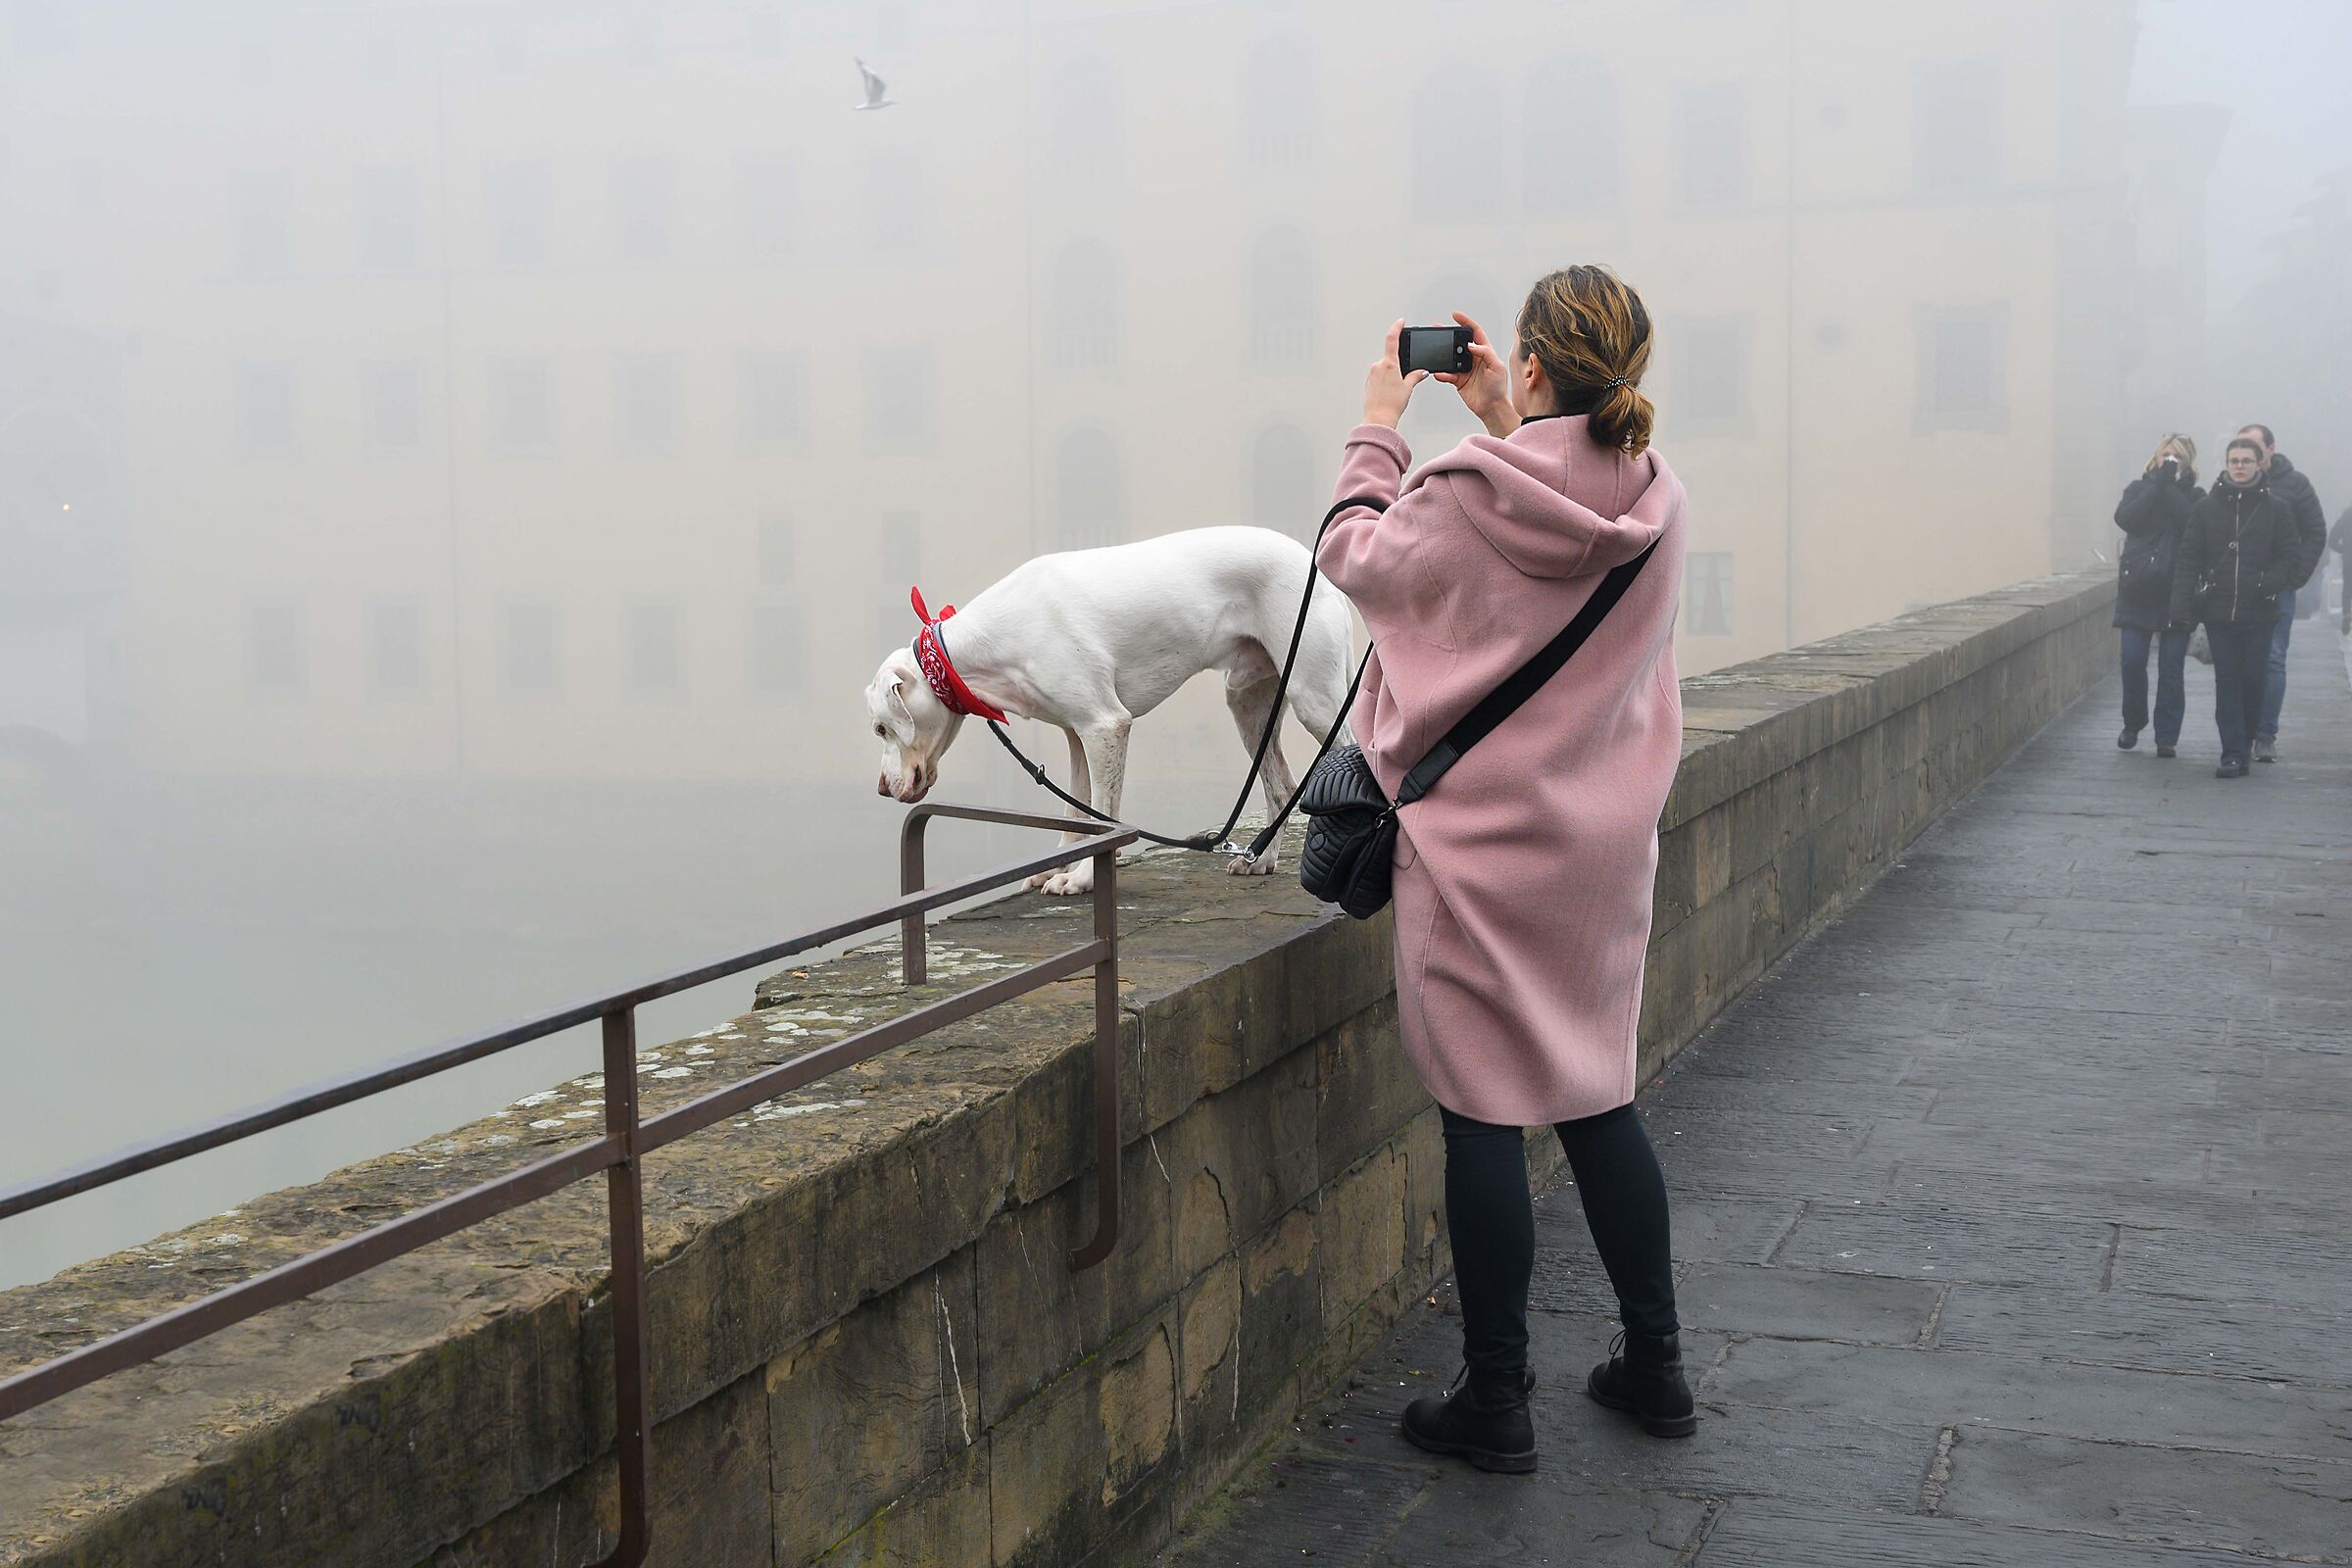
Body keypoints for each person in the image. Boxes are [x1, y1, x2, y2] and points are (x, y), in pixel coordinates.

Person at [1315, 267, 1690, 1474]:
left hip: (1475, 850)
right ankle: (1658, 1365)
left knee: (1483, 1108)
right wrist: (1505, 418)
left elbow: (1351, 557)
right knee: (1598, 1093)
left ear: (1531, 363)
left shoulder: (1470, 490)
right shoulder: (1658, 494)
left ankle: (1496, 1396)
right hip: (1601, 850)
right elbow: (1563, 529)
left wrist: (1383, 418)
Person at [2172, 437, 2321, 777]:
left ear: (2258, 465)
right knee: (2227, 681)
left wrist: (2267, 582)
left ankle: (2248, 734)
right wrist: (2181, 609)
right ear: (2226, 465)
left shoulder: (2276, 509)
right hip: (2218, 613)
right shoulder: (2206, 509)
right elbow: (2188, 560)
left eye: (2245, 461)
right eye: (2233, 460)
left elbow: (2291, 555)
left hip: (2260, 612)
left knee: (2254, 680)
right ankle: (2233, 752)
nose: (2239, 466)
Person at [2234, 424, 2328, 761]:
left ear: (2271, 449)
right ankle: (2239, 733)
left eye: (2255, 447)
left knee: (2272, 658)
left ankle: (2265, 734)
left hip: (2279, 588)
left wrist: (2296, 576)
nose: (2248, 456)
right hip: (2238, 589)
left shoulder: (2296, 484)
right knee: (2239, 662)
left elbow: (2316, 532)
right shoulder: (2232, 484)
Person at [2111, 435, 2201, 758]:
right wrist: (2156, 486)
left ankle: (2167, 735)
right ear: (2156, 457)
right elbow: (2126, 519)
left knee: (2171, 668)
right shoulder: (2138, 489)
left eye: (2177, 457)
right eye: (2166, 455)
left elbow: (2191, 525)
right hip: (2138, 589)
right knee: (2132, 662)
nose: (2170, 461)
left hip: (2177, 592)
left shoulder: (2195, 495)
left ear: (2188, 462)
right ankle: (2133, 723)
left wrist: (2170, 488)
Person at [2331, 505, 2352, 633]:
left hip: (2349, 560)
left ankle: (2347, 614)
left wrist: (2343, 550)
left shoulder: (2345, 518)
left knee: (2348, 589)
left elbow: (2332, 540)